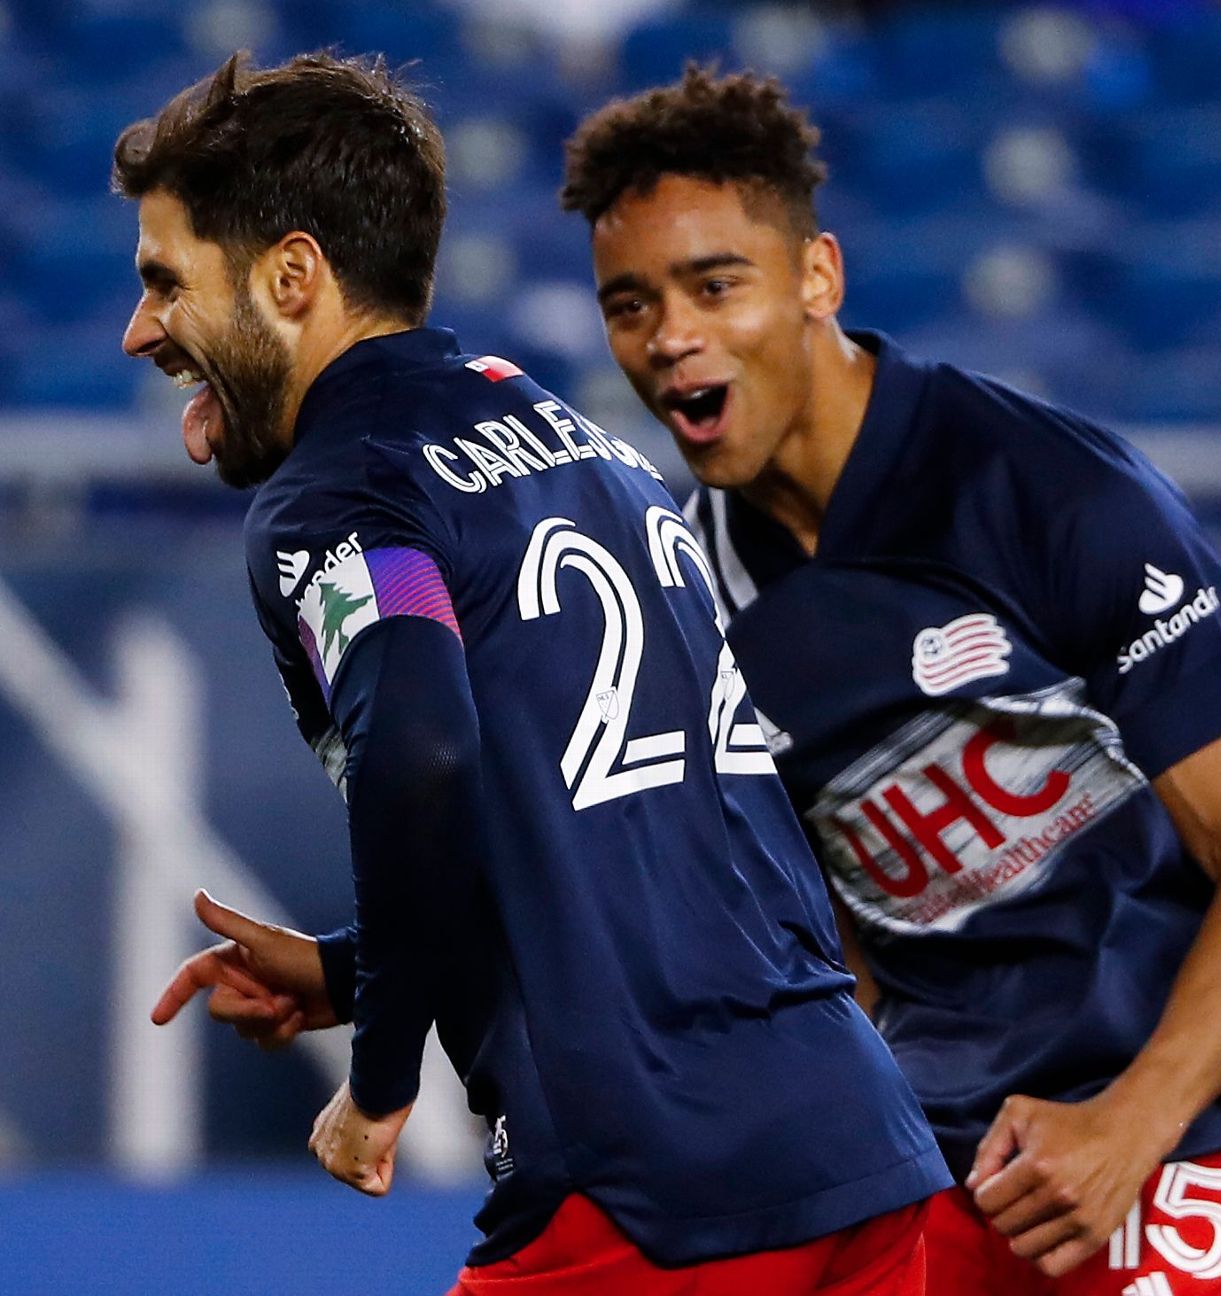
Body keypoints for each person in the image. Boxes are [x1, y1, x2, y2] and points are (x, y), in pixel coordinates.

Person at [117, 51, 952, 1296]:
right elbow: (605, 827)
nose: (141, 330)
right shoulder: (574, 447)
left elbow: (425, 753)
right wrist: (358, 968)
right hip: (855, 1148)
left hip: (654, 1193)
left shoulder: (341, 494)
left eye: (166, 281)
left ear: (292, 278)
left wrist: (383, 1075)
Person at [558, 65, 1221, 1294]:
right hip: (955, 1163)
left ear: (817, 277)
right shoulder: (693, 596)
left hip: (1193, 1136)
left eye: (713, 283)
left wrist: (1132, 1122)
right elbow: (804, 934)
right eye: (629, 303)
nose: (669, 334)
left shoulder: (1050, 496)